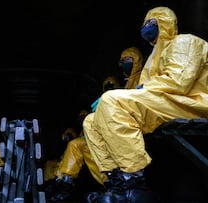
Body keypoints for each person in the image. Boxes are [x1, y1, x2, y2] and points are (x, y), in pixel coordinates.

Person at [84, 6, 208, 203]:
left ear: (165, 22)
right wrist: (133, 92)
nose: (146, 27)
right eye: (145, 23)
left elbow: (178, 82)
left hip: (190, 102)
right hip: (165, 103)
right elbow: (145, 91)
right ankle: (116, 183)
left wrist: (135, 91)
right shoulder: (153, 57)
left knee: (111, 100)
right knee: (92, 121)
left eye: (152, 22)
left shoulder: (185, 41)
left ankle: (134, 180)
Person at [48, 46, 144, 202]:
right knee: (77, 145)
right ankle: (65, 185)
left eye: (128, 59)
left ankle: (119, 183)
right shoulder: (120, 89)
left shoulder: (141, 77)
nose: (125, 63)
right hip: (105, 133)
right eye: (122, 61)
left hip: (124, 129)